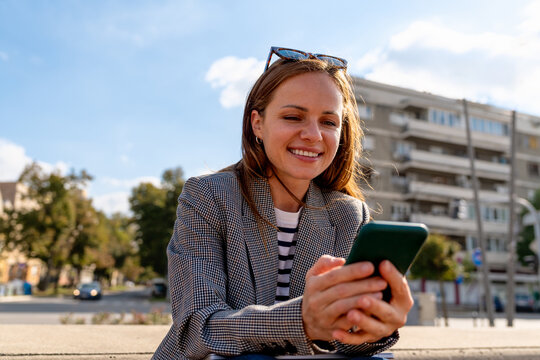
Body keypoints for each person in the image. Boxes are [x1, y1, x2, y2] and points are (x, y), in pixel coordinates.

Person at [153, 46, 413, 360]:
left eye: (329, 122)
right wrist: (302, 321)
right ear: (257, 124)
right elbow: (197, 329)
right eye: (293, 116)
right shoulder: (207, 197)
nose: (314, 135)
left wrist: (374, 325)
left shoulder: (349, 214)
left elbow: (346, 342)